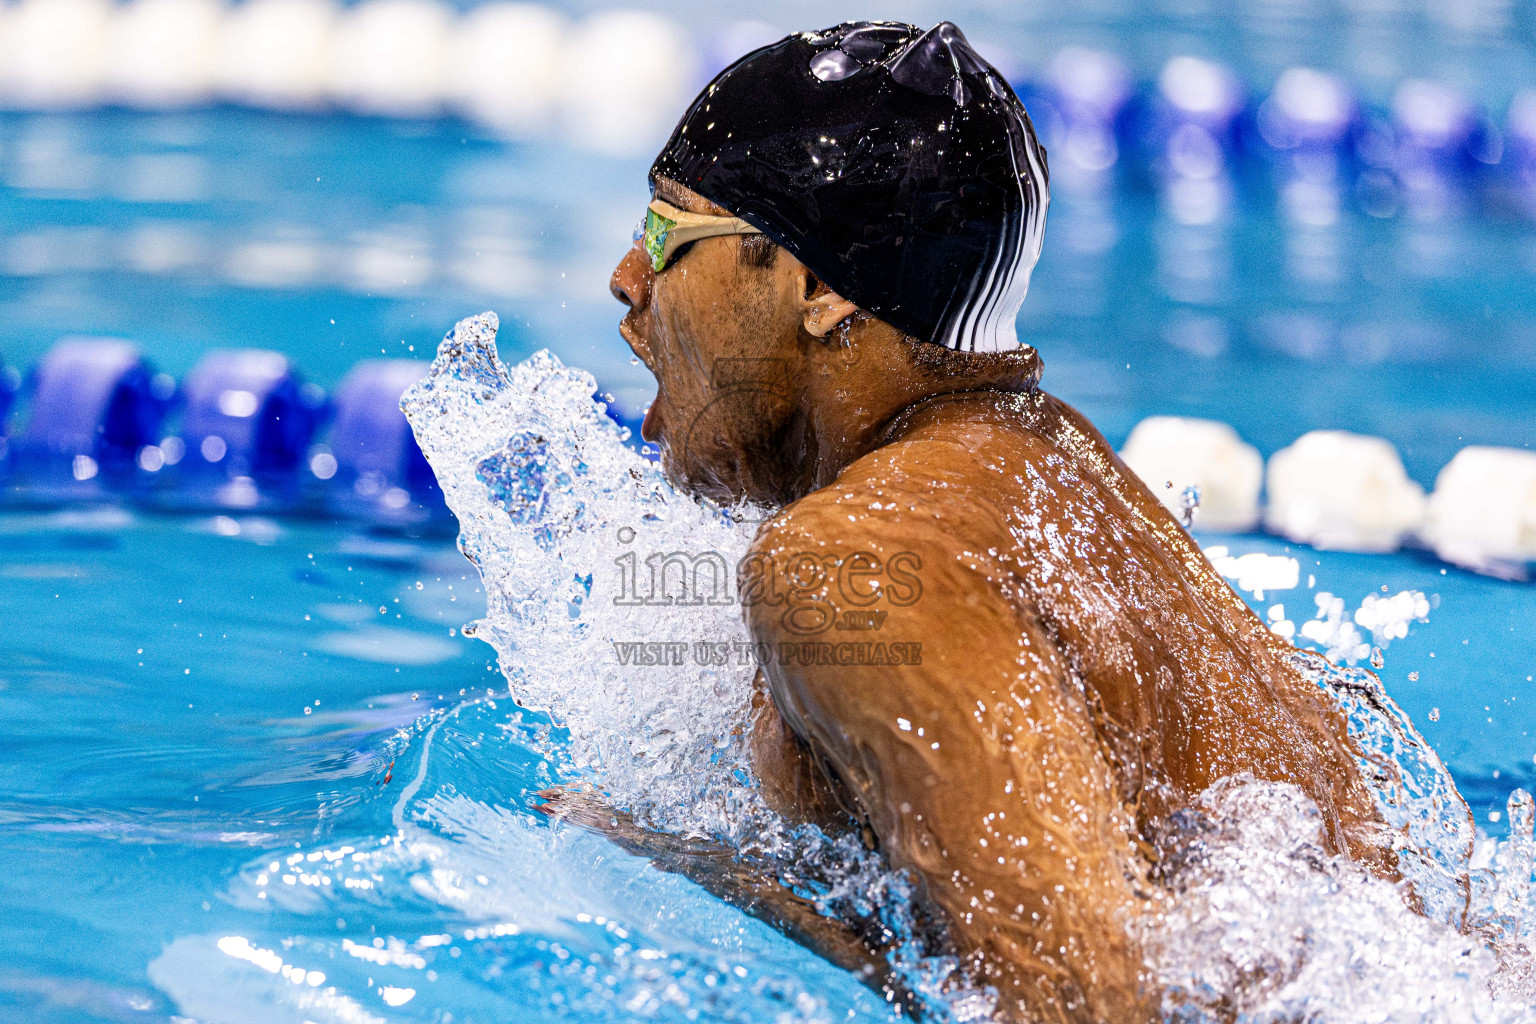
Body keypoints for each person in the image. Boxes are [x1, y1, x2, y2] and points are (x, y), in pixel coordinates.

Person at [583, 20, 1425, 1022]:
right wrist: (726, 876)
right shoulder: (1053, 468)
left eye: (669, 234)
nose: (628, 278)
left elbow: (1089, 1001)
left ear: (819, 287)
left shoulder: (850, 558)